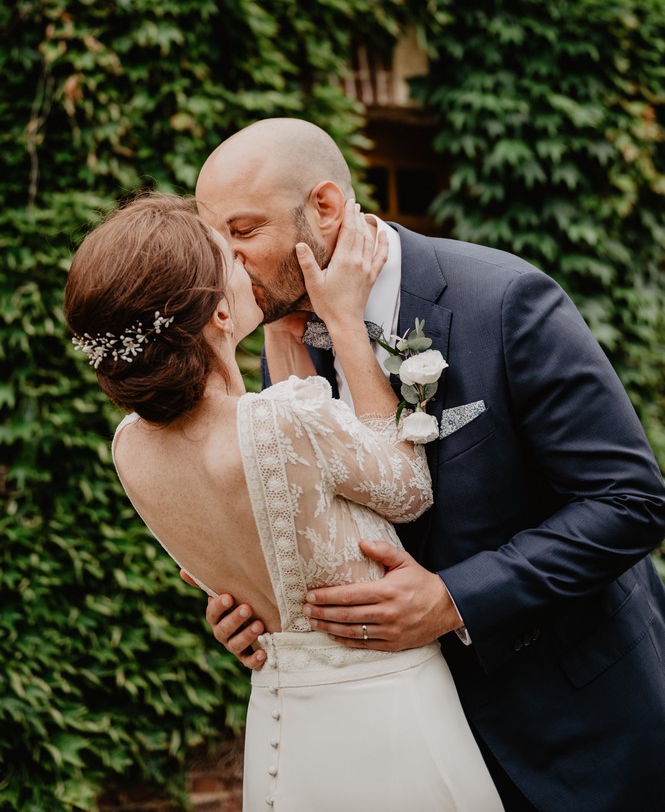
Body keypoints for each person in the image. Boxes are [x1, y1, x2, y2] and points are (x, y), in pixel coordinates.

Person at [192, 117, 665, 812]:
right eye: (215, 240)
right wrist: (261, 607)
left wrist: (452, 600)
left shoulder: (500, 300)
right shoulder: (288, 339)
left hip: (576, 730)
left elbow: (628, 501)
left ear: (324, 207)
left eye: (243, 233)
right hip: (412, 741)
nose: (226, 267)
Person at [64, 192, 504, 812]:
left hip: (281, 725)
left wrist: (283, 328)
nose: (246, 267)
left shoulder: (129, 448)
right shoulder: (284, 419)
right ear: (219, 313)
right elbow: (408, 491)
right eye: (229, 259)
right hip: (385, 719)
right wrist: (345, 322)